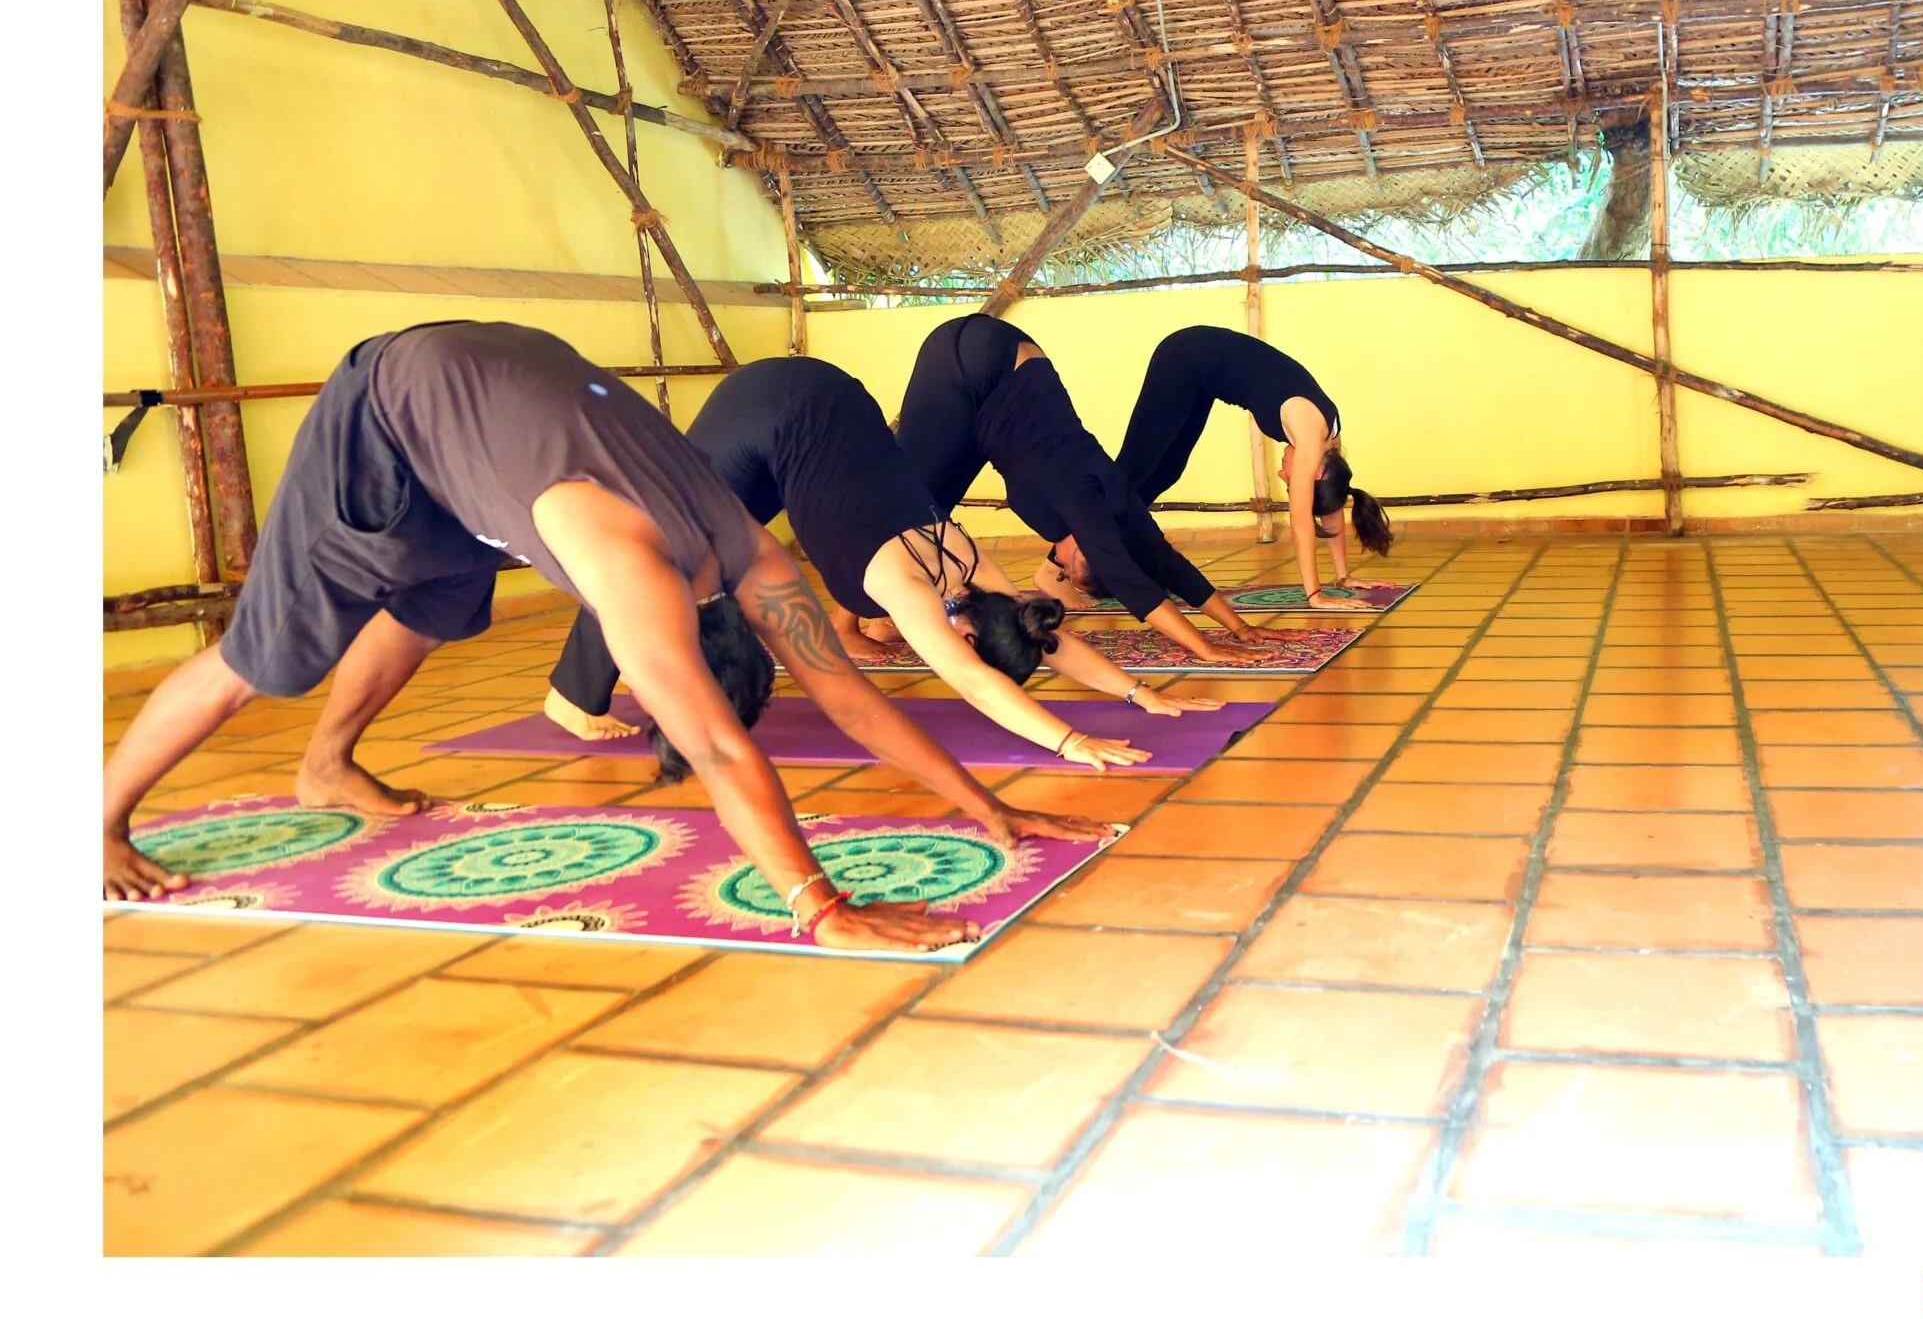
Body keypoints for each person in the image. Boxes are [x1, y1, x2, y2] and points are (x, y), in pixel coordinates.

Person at [101, 321, 1107, 955]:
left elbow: (848, 694)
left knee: (430, 605)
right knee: (264, 661)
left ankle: (327, 765)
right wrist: (820, 906)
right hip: (388, 413)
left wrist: (990, 810)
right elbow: (718, 747)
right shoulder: (631, 573)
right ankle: (96, 821)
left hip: (501, 394)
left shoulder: (748, 549)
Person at [541, 355, 1222, 759]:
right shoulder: (911, 584)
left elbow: (1043, 633)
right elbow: (972, 680)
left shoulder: (967, 562)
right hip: (769, 409)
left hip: (831, 398)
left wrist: (1142, 695)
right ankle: (571, 698)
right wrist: (1072, 742)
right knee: (656, 544)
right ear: (967, 632)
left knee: (700, 542)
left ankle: (628, 664)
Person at [893, 314, 1271, 664]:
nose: (1056, 562)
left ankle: (889, 610)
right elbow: (1126, 578)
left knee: (929, 509)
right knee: (902, 503)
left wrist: (1238, 627)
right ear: (1085, 552)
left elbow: (1165, 561)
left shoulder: (1117, 497)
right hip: (971, 359)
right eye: (1067, 569)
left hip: (1005, 363)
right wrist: (1205, 647)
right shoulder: (1081, 501)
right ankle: (870, 623)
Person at [1114, 325, 1393, 605]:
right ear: (1316, 473)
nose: (1281, 474)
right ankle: (1091, 556)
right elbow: (1301, 520)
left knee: (1166, 471)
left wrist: (1343, 577)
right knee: (1133, 468)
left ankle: (1112, 553)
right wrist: (1315, 595)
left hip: (1201, 375)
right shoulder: (1310, 436)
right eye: (1291, 481)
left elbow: (1332, 502)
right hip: (1185, 355)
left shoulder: (1329, 447)